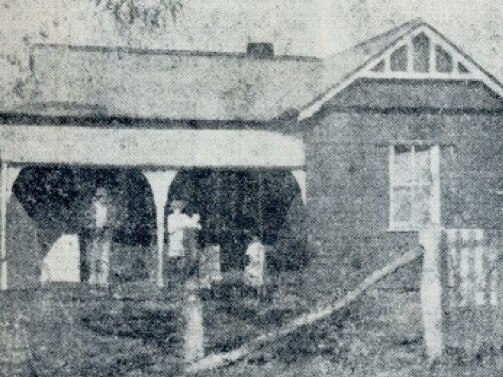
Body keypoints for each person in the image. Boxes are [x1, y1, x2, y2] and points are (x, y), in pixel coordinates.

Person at [87, 187, 117, 287]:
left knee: (105, 257)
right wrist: (94, 226)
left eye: (105, 197)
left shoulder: (110, 208)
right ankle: (93, 278)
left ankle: (103, 279)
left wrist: (106, 224)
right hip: (95, 235)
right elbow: (89, 220)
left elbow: (113, 221)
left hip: (106, 235)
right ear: (98, 198)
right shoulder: (93, 207)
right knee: (94, 257)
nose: (104, 199)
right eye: (102, 197)